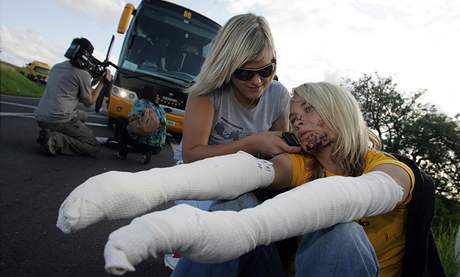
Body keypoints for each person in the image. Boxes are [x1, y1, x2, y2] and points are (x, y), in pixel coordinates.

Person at [56, 82, 417, 277]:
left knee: (341, 231)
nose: (299, 120)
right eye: (294, 115)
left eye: (309, 109)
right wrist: (150, 187)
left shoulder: (386, 167)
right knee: (236, 201)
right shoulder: (303, 165)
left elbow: (371, 192)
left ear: (338, 109)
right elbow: (247, 171)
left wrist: (243, 231)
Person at [167, 13, 300, 270]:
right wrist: (252, 144)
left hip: (248, 183)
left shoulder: (278, 96)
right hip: (199, 180)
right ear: (226, 67)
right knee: (230, 218)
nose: (257, 81)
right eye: (245, 73)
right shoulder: (207, 92)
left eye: (266, 70)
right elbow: (191, 154)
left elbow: (279, 158)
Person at [35, 37, 112, 156]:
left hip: (41, 115)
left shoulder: (57, 67)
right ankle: (55, 140)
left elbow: (75, 90)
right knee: (93, 146)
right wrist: (102, 83)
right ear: (85, 55)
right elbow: (89, 103)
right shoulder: (82, 74)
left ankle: (51, 131)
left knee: (83, 116)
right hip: (60, 119)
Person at [112, 86, 167, 164]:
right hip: (157, 147)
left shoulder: (141, 102)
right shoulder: (161, 109)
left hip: (142, 143)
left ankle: (122, 153)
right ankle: (146, 152)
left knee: (120, 122)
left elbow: (131, 118)